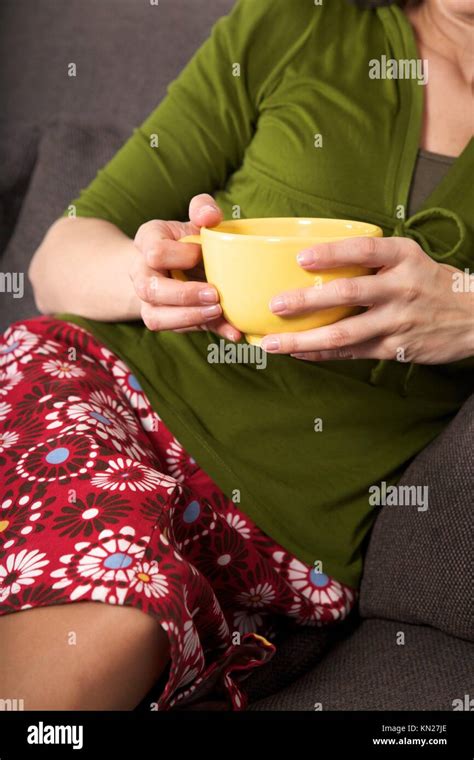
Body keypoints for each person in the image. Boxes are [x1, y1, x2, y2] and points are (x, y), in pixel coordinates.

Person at [0, 0, 472, 711]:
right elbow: (59, 257)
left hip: (279, 537)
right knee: (107, 623)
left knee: (128, 630)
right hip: (99, 393)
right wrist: (145, 276)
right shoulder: (297, 23)